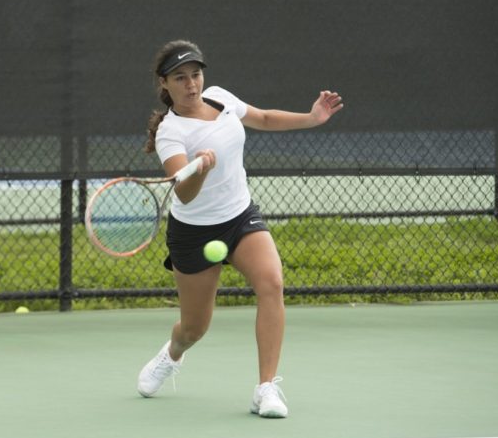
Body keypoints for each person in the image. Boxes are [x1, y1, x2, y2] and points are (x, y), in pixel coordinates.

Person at [137, 39, 343, 417]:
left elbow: (262, 118)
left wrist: (311, 118)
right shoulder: (171, 132)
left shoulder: (220, 98)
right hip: (195, 231)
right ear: (164, 84)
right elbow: (184, 195)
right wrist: (200, 168)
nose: (191, 84)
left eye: (195, 74)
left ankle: (266, 389)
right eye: (180, 78)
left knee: (272, 283)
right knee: (194, 328)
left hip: (239, 216)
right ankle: (172, 354)